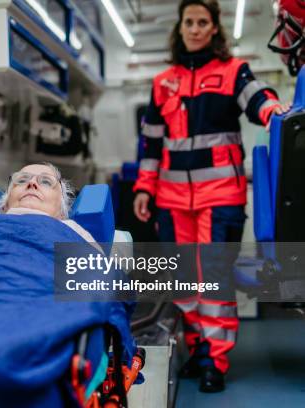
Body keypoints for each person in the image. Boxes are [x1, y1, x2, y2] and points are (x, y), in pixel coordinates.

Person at [132, 0, 291, 394]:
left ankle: (215, 362)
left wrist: (274, 109)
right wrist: (143, 188)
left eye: (203, 22)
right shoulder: (162, 82)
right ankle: (200, 350)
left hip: (221, 196)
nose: (196, 28)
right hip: (171, 200)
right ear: (181, 28)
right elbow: (151, 144)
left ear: (214, 29)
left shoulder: (233, 71)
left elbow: (259, 99)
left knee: (214, 280)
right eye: (190, 21)